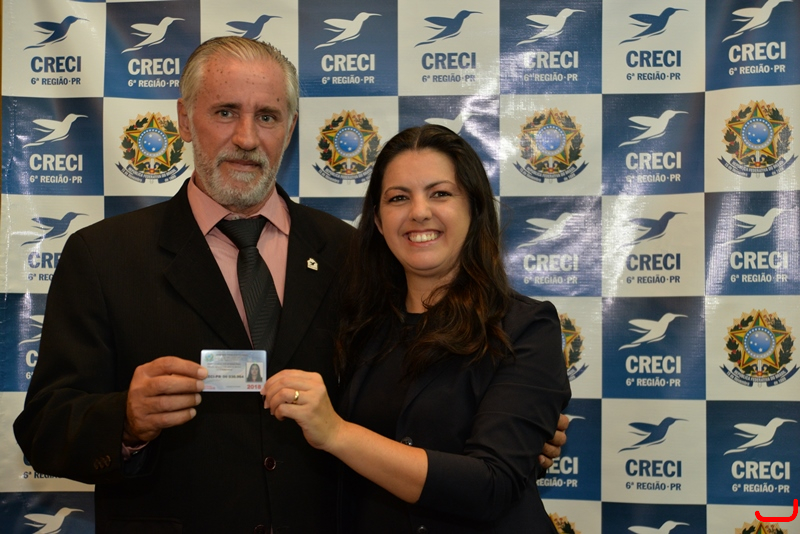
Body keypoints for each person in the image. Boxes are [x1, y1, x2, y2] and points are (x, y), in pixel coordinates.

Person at [13, 36, 566, 533]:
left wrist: (513, 433)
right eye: (225, 112)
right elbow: (43, 427)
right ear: (183, 120)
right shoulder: (104, 255)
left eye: (268, 116)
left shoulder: (349, 254)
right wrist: (127, 421)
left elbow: (409, 389)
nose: (246, 137)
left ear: (291, 128)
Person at [263, 124, 571, 533]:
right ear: (377, 219)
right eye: (398, 198)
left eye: (440, 193)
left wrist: (337, 433)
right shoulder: (360, 325)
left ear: (475, 207)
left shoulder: (525, 326)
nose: (419, 212)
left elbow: (492, 485)